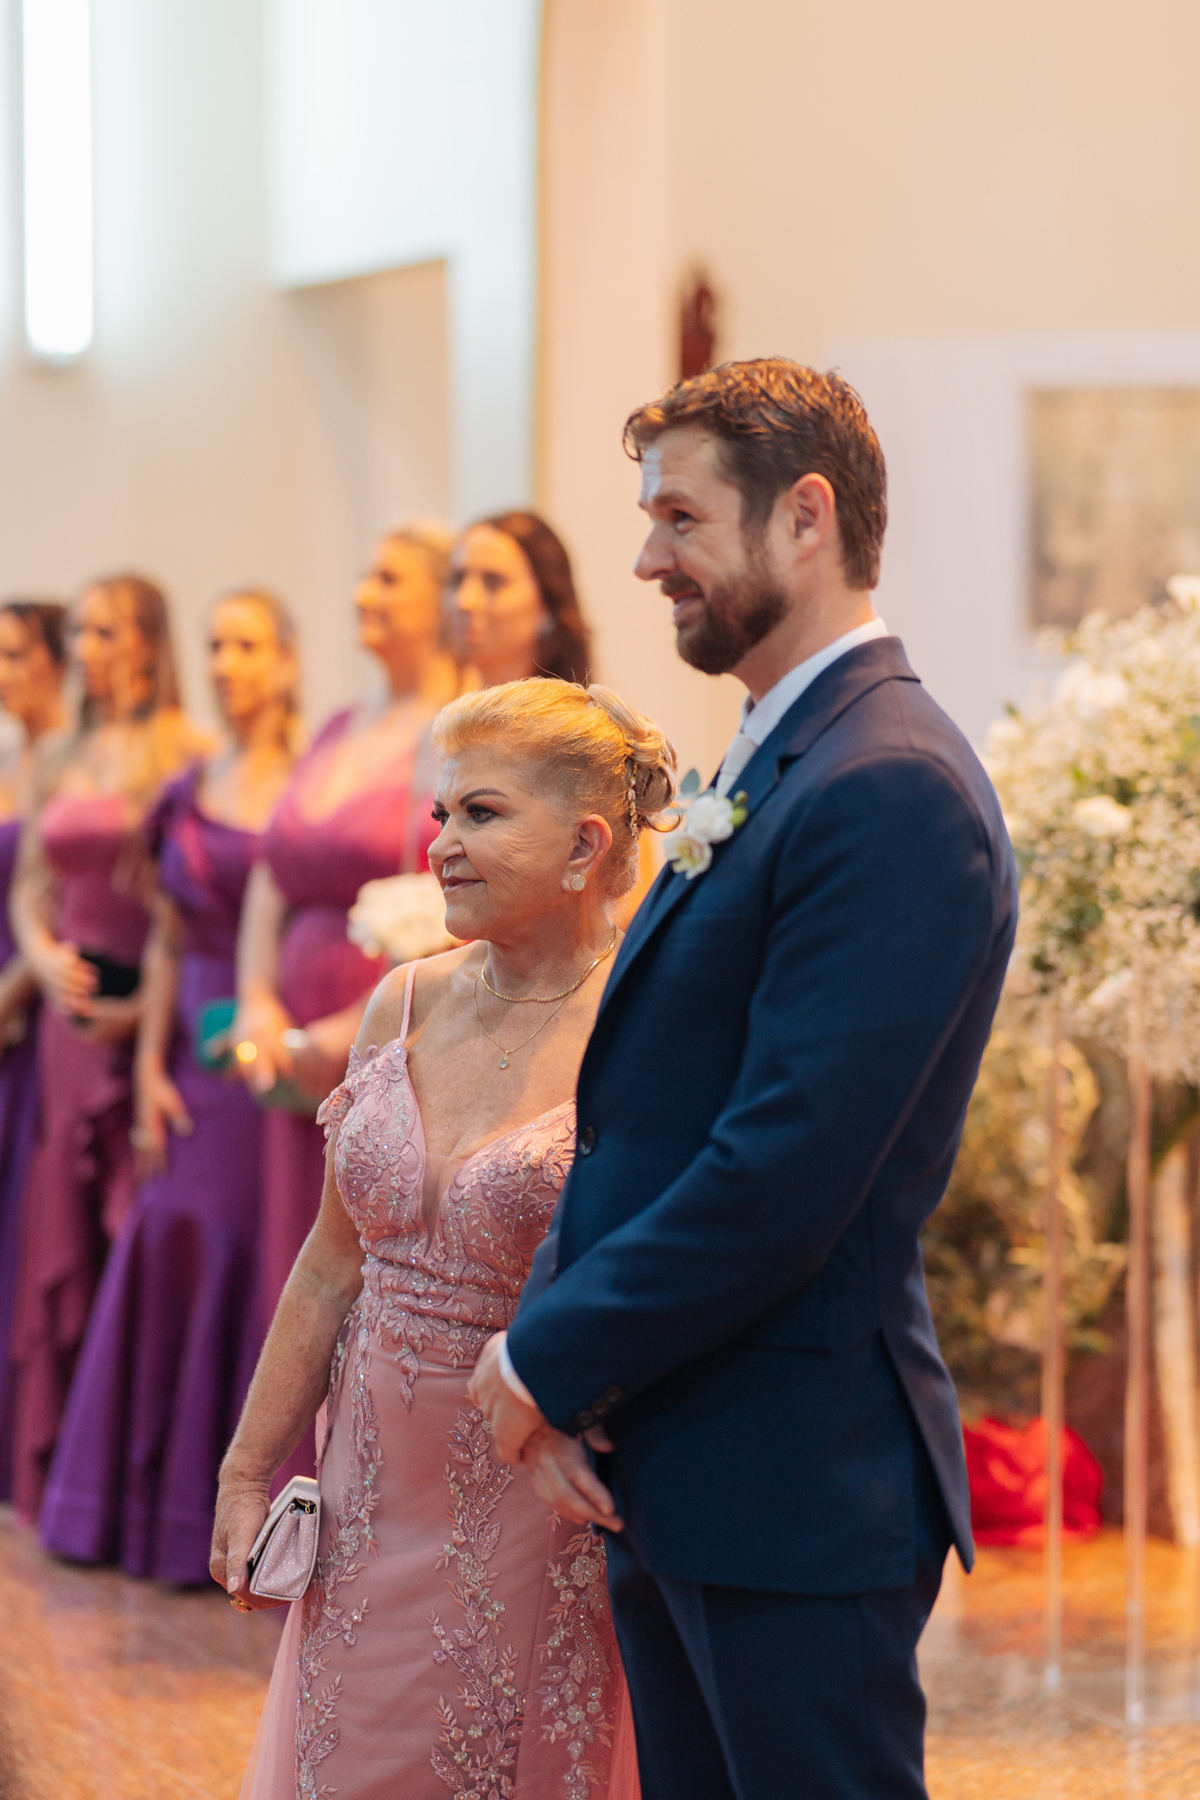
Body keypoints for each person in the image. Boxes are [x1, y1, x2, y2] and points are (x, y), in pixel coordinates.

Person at [471, 360, 1019, 1800]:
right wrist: (578, 1366)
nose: (647, 558)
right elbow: (649, 1114)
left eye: (679, 517)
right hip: (691, 1458)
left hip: (796, 1478)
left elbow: (783, 1167)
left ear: (806, 519)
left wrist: (544, 1358)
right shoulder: (786, 758)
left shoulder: (887, 785)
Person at [212, 677, 673, 1799]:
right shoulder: (401, 1003)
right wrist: (245, 1470)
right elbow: (330, 1267)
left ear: (585, 844)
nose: (441, 846)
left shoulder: (647, 1025)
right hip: (370, 1488)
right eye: (440, 815)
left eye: (481, 814)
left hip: (537, 1495)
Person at [39, 589, 300, 1582]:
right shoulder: (192, 784)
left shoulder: (301, 782)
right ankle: (136, 1511)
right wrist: (146, 1068)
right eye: (216, 646)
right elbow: (161, 936)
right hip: (186, 1042)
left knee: (247, 1249)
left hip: (260, 1050)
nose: (228, 662)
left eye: (246, 644)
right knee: (168, 1236)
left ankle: (229, 1518)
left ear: (283, 663)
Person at [232, 525, 458, 1473]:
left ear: (441, 600)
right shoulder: (334, 727)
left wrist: (344, 1031)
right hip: (280, 1032)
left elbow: (448, 901)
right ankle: (261, 1485)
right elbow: (271, 876)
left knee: (351, 1262)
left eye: (387, 577)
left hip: (381, 1025)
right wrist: (253, 1002)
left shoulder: (453, 728)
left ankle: (343, 1492)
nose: (364, 592)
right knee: (289, 1261)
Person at [7, 573, 211, 1521]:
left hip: (142, 1010)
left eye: (102, 632)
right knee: (58, 1218)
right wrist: (43, 962)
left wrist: (147, 1018)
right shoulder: (67, 750)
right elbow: (32, 887)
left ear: (144, 642)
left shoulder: (187, 750)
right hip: (64, 1017)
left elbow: (186, 898)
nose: (85, 648)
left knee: (128, 1210)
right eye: (80, 631)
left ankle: (123, 1466)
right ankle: (53, 1468)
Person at [0, 602, 69, 1494]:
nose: (3, 672)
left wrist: (16, 988)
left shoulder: (64, 764)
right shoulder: (15, 759)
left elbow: (48, 900)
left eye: (16, 655)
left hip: (25, 1006)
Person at [446, 510, 592, 687]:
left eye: (493, 583)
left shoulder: (575, 714)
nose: (464, 601)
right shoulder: (442, 712)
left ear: (547, 604)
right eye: (457, 580)